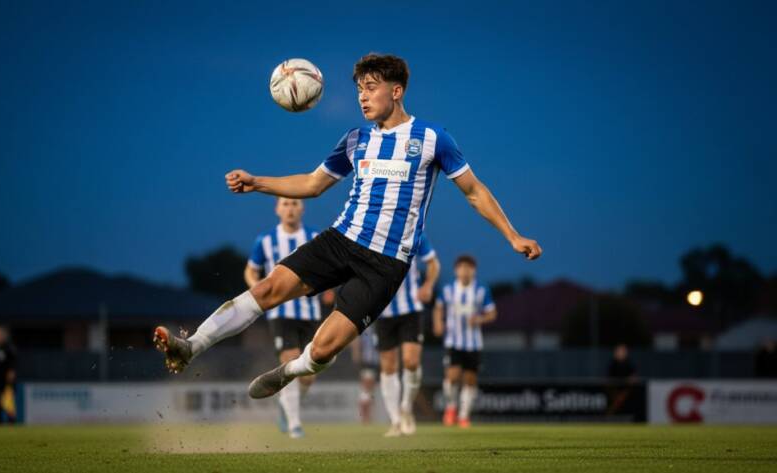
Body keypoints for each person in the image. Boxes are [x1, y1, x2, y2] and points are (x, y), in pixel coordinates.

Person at [153, 53, 542, 403]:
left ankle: (289, 371)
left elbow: (474, 191)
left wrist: (513, 235)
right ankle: (191, 346)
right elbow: (312, 184)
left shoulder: (432, 139)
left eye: (371, 88)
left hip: (385, 265)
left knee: (322, 350)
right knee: (267, 288)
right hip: (341, 240)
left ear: (397, 90)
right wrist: (257, 183)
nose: (362, 96)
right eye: (359, 89)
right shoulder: (355, 140)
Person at [243, 197, 321, 438]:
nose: (290, 208)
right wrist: (259, 291)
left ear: (302, 209)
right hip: (281, 313)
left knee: (308, 375)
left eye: (295, 204)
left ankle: (287, 407)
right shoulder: (265, 241)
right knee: (289, 362)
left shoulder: (316, 238)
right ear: (278, 209)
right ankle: (295, 425)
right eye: (285, 204)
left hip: (310, 312)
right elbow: (250, 270)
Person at [375, 235, 439, 437]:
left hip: (411, 308)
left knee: (411, 362)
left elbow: (433, 264)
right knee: (388, 366)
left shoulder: (414, 232)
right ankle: (394, 420)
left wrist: (428, 286)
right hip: (382, 311)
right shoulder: (369, 231)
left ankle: (406, 409)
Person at [433, 255, 496, 428]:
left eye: (468, 268)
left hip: (473, 343)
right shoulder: (448, 289)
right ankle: (451, 408)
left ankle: (464, 415)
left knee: (470, 379)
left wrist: (479, 319)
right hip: (453, 341)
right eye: (461, 268)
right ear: (456, 270)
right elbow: (438, 308)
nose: (465, 271)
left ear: (473, 270)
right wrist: (438, 323)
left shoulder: (481, 290)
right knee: (452, 376)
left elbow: (492, 313)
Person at [350, 324, 380, 424]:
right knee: (366, 390)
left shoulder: (377, 327)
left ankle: (367, 417)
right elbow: (356, 342)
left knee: (369, 391)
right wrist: (357, 357)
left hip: (376, 362)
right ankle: (365, 418)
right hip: (367, 362)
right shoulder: (365, 328)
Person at [0, 326, 17, 424]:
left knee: (8, 400)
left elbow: (13, 362)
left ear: (2, 335)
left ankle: (11, 420)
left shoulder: (8, 347)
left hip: (6, 378)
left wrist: (11, 372)